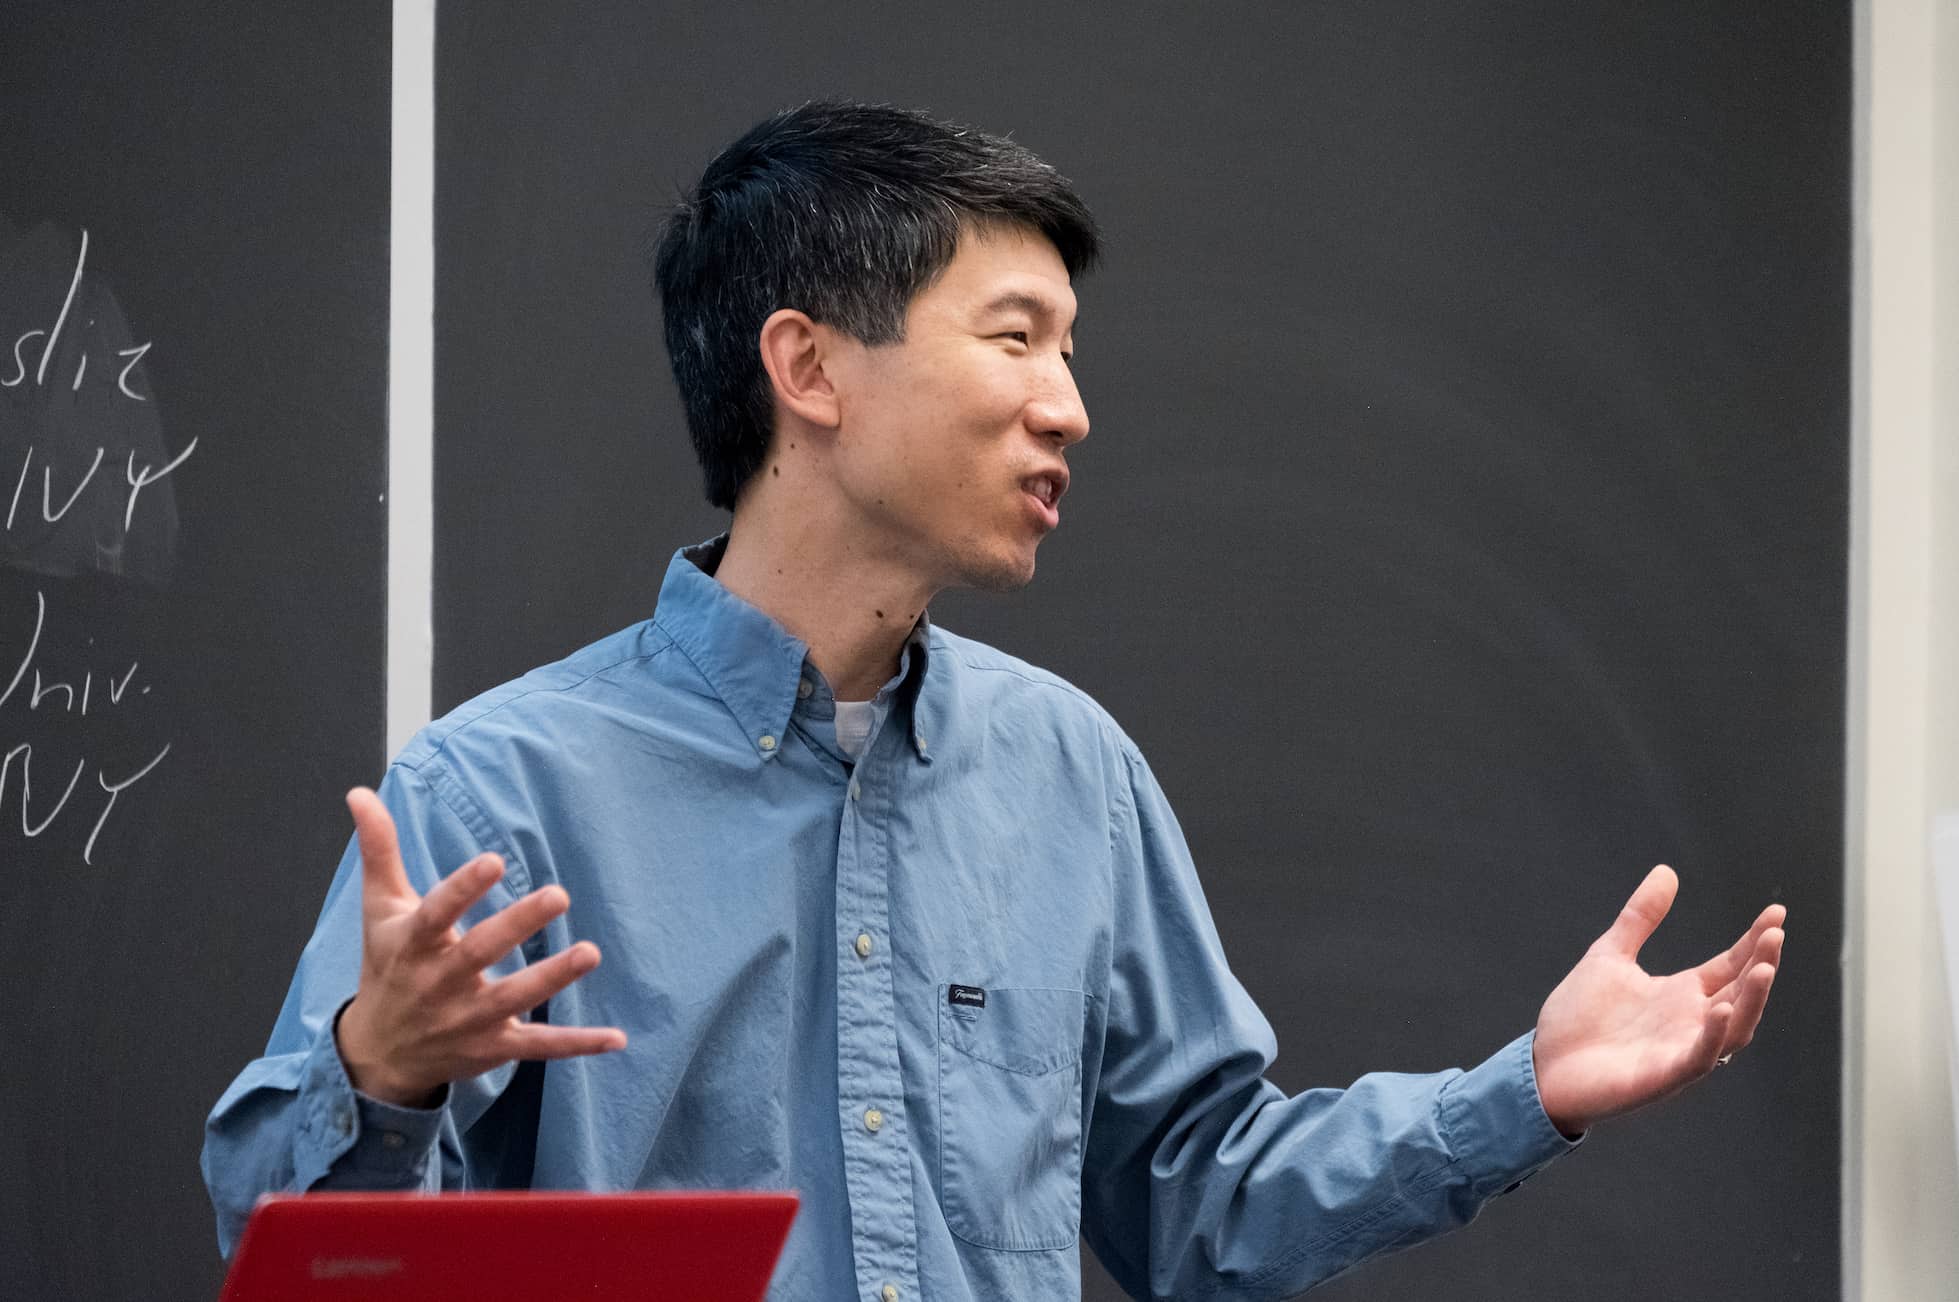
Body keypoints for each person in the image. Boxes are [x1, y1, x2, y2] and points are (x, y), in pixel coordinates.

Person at [201, 100, 1785, 1301]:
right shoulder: (499, 796)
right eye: (1014, 337)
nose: (1070, 407)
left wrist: (1525, 1091)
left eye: (1072, 348)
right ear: (808, 370)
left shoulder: (1068, 774)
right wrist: (383, 1066)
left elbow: (1199, 1194)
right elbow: (309, 1267)